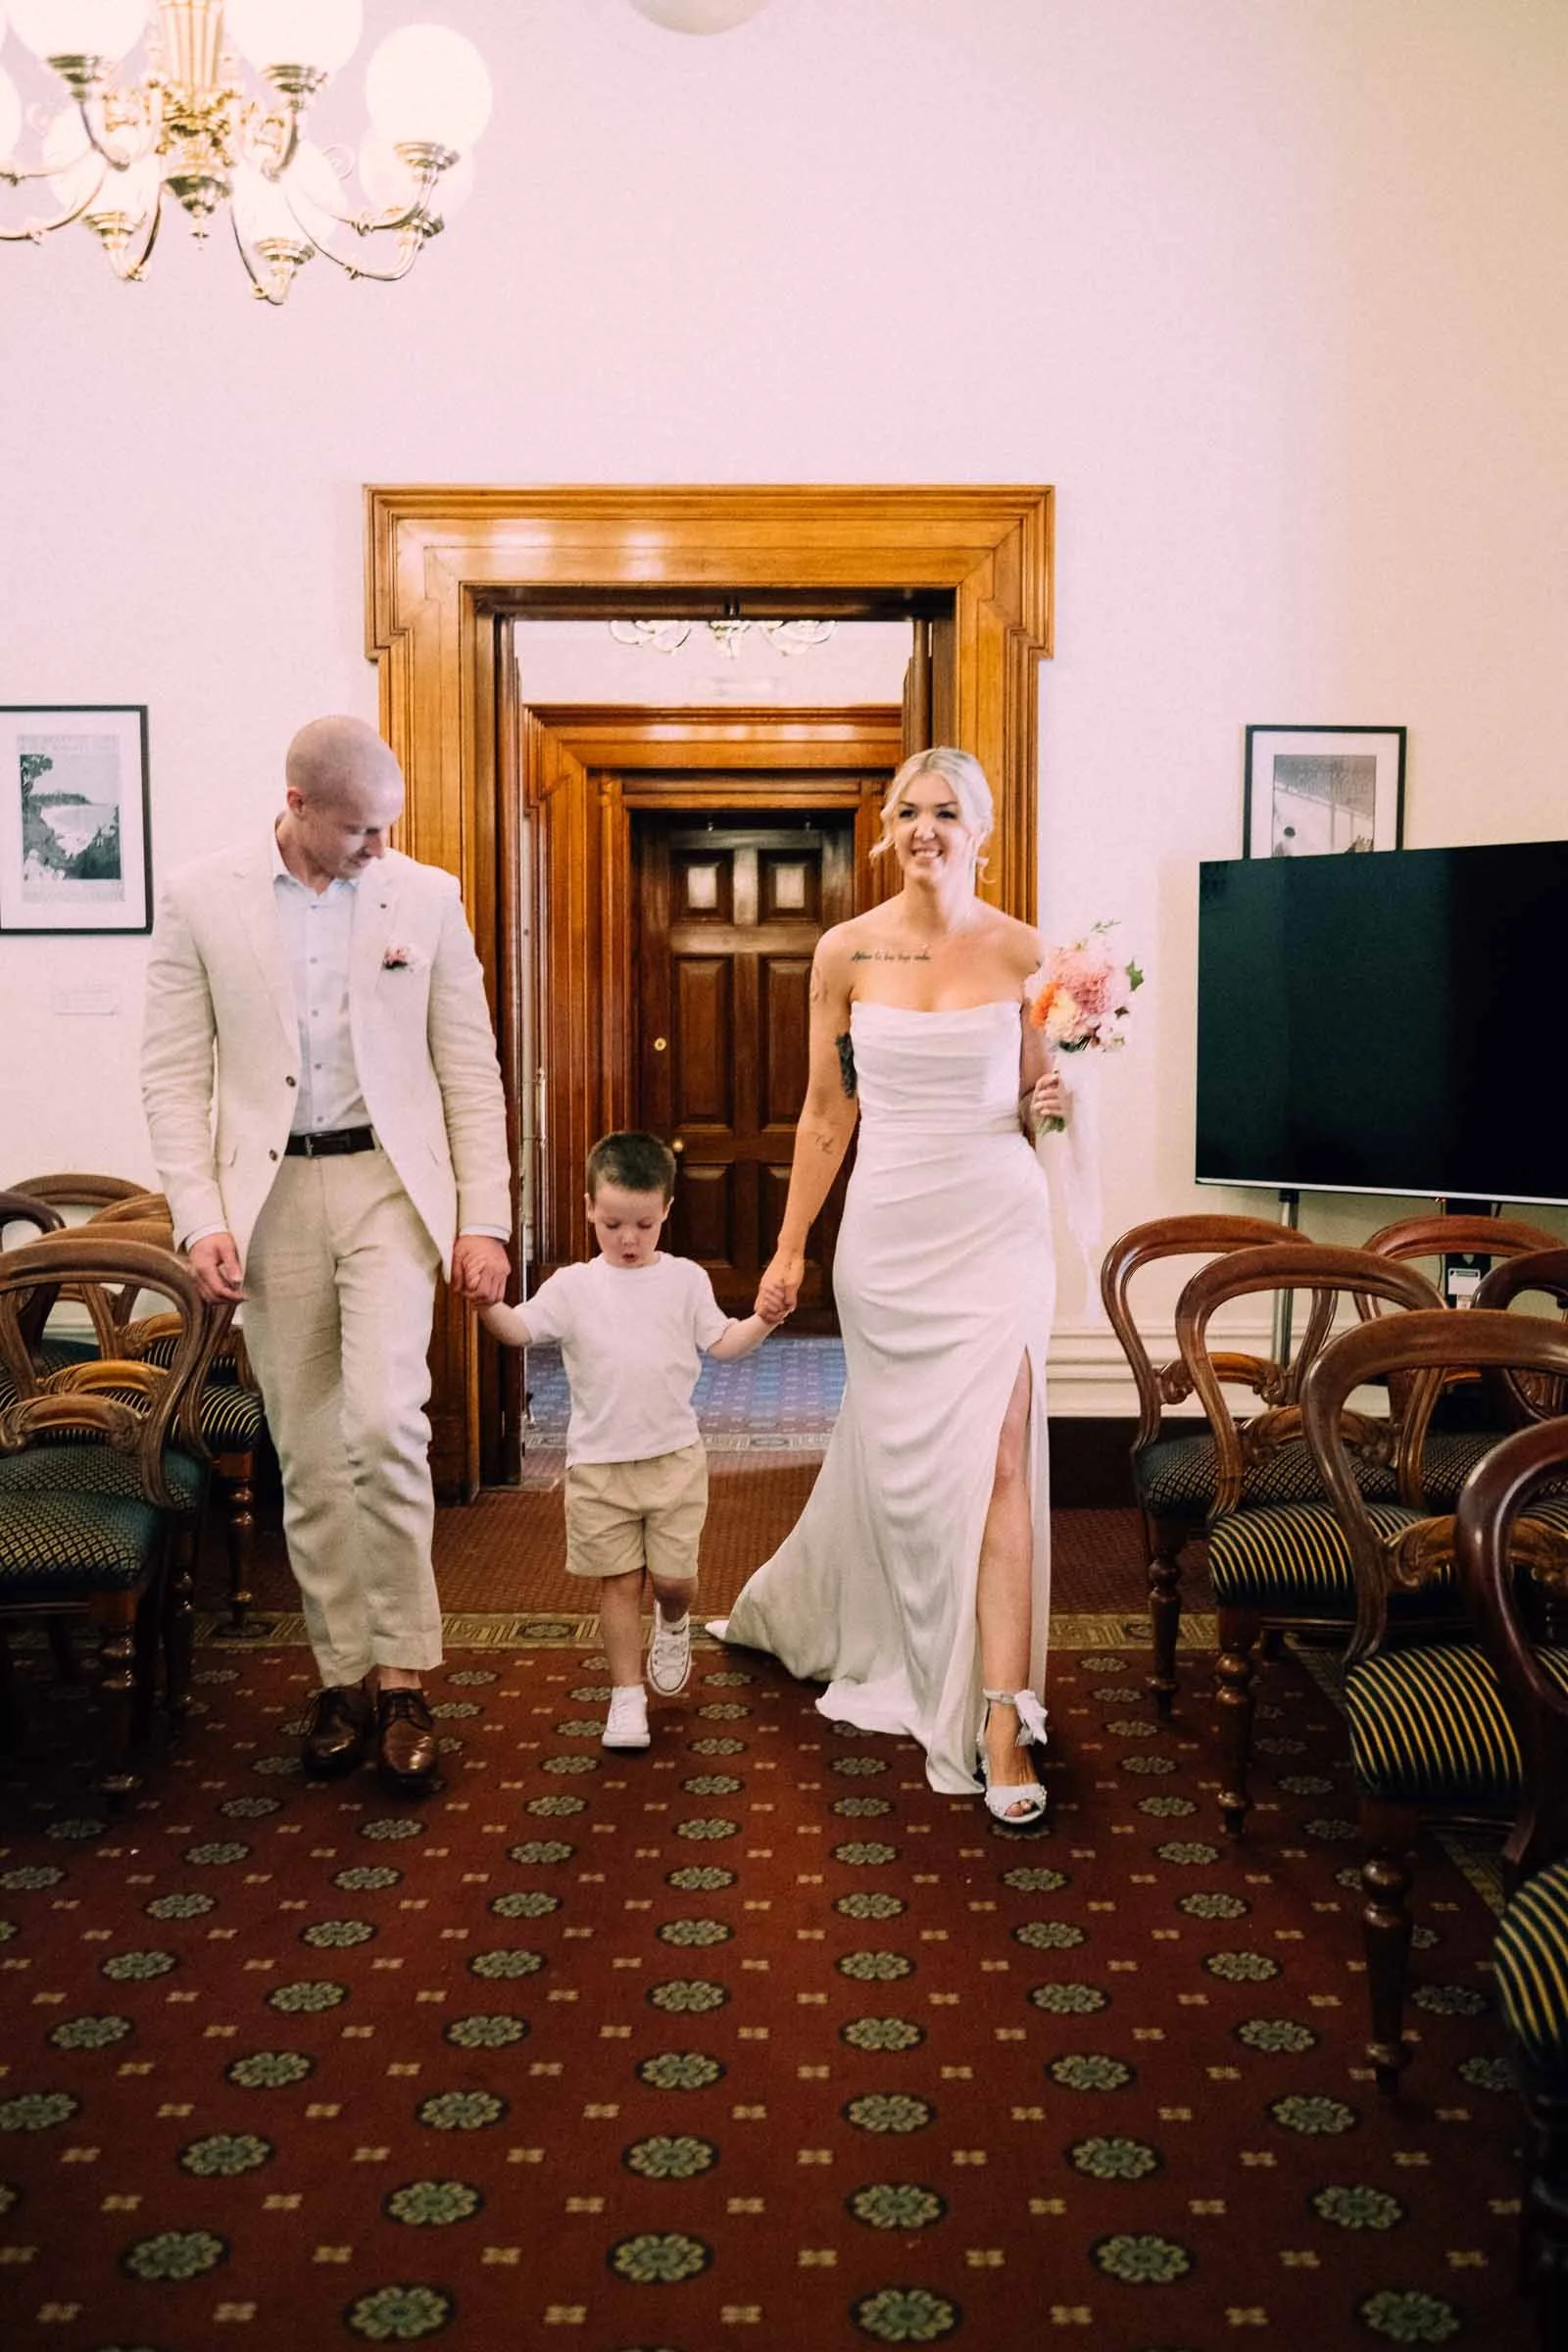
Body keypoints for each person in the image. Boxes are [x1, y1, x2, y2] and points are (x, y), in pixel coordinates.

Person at [140, 714, 511, 1795]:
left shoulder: (425, 898)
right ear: (297, 807)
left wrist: (481, 1218)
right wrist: (199, 1215)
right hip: (270, 1196)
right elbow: (173, 1077)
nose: (378, 849)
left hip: (388, 1187)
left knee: (387, 1425)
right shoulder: (202, 897)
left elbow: (469, 1070)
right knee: (306, 1446)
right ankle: (340, 1675)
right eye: (358, 829)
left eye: (388, 828)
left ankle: (405, 1677)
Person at [711, 747, 1065, 1826]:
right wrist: (787, 1249)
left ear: (981, 830)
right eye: (906, 810)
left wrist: (1057, 1097)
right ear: (886, 830)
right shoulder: (844, 952)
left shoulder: (1028, 953)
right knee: (911, 1471)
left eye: (946, 811)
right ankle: (908, 1640)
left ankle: (1000, 1713)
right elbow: (827, 1115)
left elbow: (1034, 1107)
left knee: (1000, 1457)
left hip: (998, 1229)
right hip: (890, 1236)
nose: (924, 827)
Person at [480, 1131, 786, 1751]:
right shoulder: (572, 1286)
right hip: (597, 1467)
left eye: (643, 1224)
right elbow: (518, 1331)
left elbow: (723, 1344)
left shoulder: (685, 1280)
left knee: (673, 1580)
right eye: (613, 1222)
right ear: (590, 1206)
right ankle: (625, 1698)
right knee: (617, 1581)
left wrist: (764, 1319)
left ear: (666, 1212)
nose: (627, 1238)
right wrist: (485, 1304)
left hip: (674, 1460)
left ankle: (673, 1621)